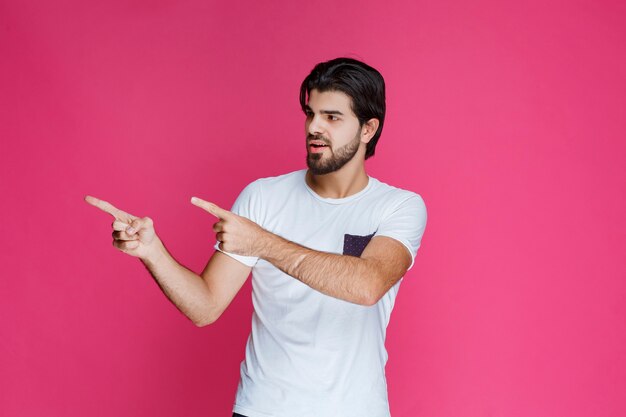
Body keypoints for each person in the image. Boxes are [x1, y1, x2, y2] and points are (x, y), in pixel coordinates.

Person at [85, 57, 427, 417]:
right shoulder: (263, 197)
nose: (314, 127)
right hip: (263, 408)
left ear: (368, 129)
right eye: (310, 114)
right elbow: (205, 307)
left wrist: (262, 243)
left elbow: (367, 286)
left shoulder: (398, 206)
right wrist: (152, 251)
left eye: (332, 117)